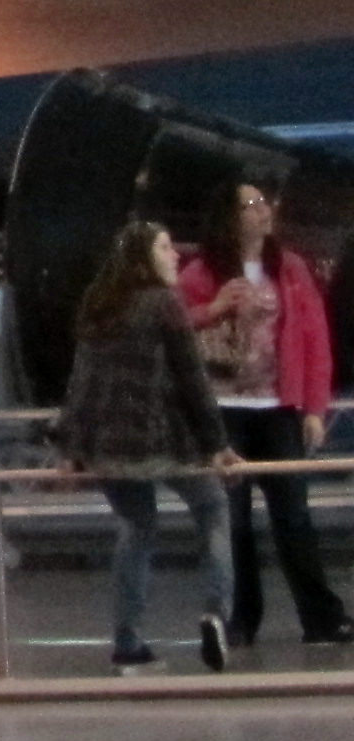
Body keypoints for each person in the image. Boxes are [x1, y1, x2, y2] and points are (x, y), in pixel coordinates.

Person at [176, 181, 345, 649]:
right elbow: (172, 324)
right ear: (230, 217)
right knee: (233, 520)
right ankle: (239, 618)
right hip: (224, 412)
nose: (262, 212)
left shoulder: (290, 268)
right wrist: (213, 309)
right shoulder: (201, 270)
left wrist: (314, 407)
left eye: (263, 204)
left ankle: (322, 618)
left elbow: (315, 339)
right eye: (250, 206)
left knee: (293, 515)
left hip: (277, 409)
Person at [64, 221, 238, 673]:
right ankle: (217, 611)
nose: (176, 255)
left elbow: (81, 382)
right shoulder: (164, 303)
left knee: (137, 527)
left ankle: (127, 642)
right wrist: (217, 444)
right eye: (165, 247)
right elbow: (192, 378)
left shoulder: (98, 304)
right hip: (162, 440)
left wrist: (71, 445)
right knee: (214, 507)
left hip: (108, 446)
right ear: (145, 256)